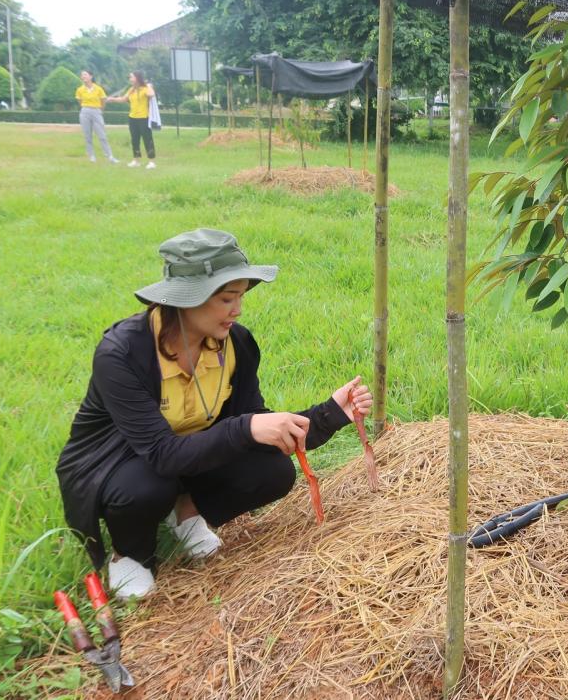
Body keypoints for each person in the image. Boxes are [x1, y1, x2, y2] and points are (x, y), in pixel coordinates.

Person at [56, 229, 373, 599]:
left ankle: (187, 510)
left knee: (272, 471)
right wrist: (245, 428)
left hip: (190, 450)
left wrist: (330, 414)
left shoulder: (235, 343)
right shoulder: (122, 353)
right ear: (188, 300)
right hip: (124, 458)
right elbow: (160, 454)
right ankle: (130, 552)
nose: (237, 310)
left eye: (239, 297)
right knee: (146, 487)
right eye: (226, 298)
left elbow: (256, 425)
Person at [106, 71, 157, 169]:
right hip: (132, 118)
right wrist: (112, 99)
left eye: (131, 77)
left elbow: (151, 94)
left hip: (144, 118)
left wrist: (149, 85)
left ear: (137, 78)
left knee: (147, 140)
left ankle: (151, 162)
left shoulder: (146, 88)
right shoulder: (131, 90)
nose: (130, 79)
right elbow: (123, 99)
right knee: (135, 140)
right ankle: (136, 160)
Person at [75, 70, 119, 164]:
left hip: (96, 111)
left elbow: (103, 100)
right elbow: (80, 101)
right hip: (85, 111)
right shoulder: (80, 89)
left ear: (91, 76)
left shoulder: (98, 89)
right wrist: (86, 108)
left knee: (102, 135)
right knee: (87, 136)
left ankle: (110, 156)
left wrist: (100, 110)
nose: (83, 77)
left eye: (85, 75)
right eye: (82, 75)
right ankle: (91, 156)